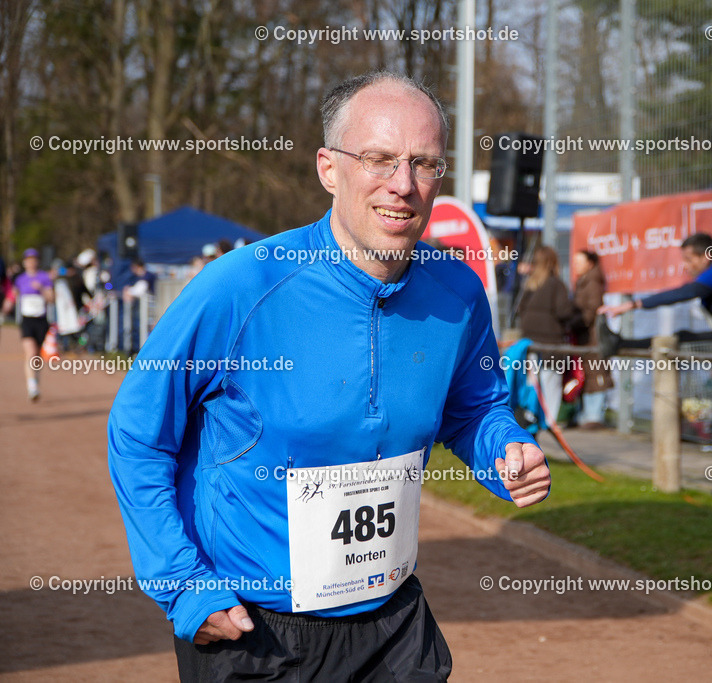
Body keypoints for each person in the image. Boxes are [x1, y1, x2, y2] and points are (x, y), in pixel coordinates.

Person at [108, 71, 550, 682]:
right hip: (255, 631)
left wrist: (505, 449)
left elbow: (474, 408)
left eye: (424, 164)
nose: (403, 185)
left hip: (392, 622)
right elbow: (137, 433)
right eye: (379, 159)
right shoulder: (242, 287)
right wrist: (183, 586)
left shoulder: (457, 291)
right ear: (328, 169)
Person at [598, 233, 712, 495]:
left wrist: (634, 304)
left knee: (683, 339)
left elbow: (685, 293)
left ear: (706, 255)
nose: (687, 266)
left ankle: (620, 344)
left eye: (689, 259)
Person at [517, 244, 580, 427]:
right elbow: (563, 312)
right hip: (551, 344)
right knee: (550, 385)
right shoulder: (556, 284)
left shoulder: (530, 284)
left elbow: (520, 310)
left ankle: (532, 420)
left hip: (529, 343)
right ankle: (550, 424)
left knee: (533, 385)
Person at [3, 248, 54, 401]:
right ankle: (32, 386)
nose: (31, 262)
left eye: (34, 259)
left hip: (41, 320)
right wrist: (6, 307)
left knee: (36, 356)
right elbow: (12, 296)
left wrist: (42, 289)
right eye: (28, 259)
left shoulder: (44, 277)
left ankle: (35, 379)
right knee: (30, 352)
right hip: (27, 320)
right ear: (25, 262)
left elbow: (51, 298)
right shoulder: (20, 279)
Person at [571, 251, 613, 428]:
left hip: (593, 335)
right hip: (584, 335)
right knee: (587, 373)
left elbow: (592, 309)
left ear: (590, 263)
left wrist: (574, 322)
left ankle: (594, 416)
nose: (576, 265)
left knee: (596, 372)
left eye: (580, 262)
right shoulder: (583, 281)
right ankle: (588, 414)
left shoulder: (593, 281)